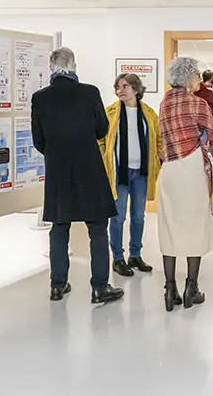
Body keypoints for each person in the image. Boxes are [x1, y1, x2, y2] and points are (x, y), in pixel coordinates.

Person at [31, 47, 124, 304]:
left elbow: (38, 140)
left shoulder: (40, 98)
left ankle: (57, 285)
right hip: (89, 168)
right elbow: (102, 130)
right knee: (97, 228)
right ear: (73, 65)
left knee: (59, 229)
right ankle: (99, 287)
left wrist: (57, 152)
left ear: (51, 67)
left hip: (58, 171)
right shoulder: (89, 92)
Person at [158, 57, 213, 312]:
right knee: (195, 225)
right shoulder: (198, 103)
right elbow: (212, 134)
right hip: (192, 168)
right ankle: (191, 286)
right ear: (189, 76)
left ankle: (169, 288)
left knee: (169, 225)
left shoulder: (164, 103)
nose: (199, 80)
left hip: (170, 169)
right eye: (197, 75)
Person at [99, 73, 163, 277]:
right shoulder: (109, 113)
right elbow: (100, 140)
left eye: (125, 86)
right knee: (117, 217)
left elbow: (159, 139)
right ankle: (118, 258)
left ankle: (135, 255)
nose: (120, 90)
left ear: (136, 89)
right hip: (120, 174)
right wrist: (105, 160)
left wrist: (160, 157)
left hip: (141, 173)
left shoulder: (150, 114)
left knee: (138, 216)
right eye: (118, 87)